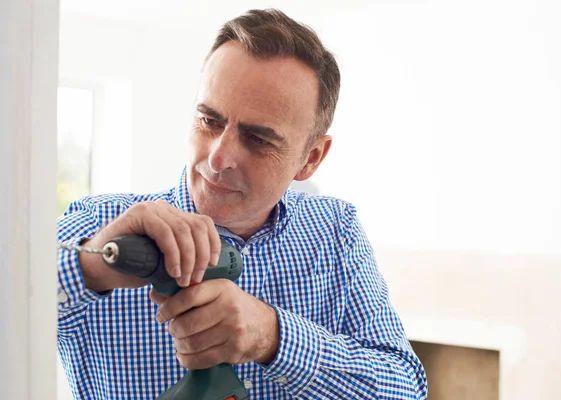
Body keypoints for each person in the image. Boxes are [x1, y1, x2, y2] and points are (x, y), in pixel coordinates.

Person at [57, 8, 428, 399]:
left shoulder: (336, 229)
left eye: (258, 139)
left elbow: (404, 387)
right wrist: (92, 266)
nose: (217, 159)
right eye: (209, 120)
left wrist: (273, 338)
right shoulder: (101, 223)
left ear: (311, 158)